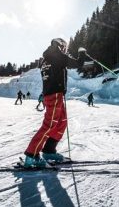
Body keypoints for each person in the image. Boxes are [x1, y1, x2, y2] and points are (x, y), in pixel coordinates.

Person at [23, 38, 87, 168]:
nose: (65, 50)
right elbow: (78, 64)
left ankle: (49, 150)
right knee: (50, 125)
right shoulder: (57, 55)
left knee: (61, 122)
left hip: (53, 94)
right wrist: (82, 53)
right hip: (54, 95)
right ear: (60, 46)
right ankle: (31, 154)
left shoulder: (48, 58)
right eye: (64, 47)